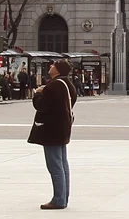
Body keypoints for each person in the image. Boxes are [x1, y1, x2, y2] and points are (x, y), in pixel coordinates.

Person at [29, 59, 77, 210]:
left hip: (51, 130)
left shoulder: (54, 85)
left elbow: (42, 106)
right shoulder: (68, 84)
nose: (50, 67)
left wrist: (37, 94)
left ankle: (59, 199)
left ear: (58, 69)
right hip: (62, 128)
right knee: (62, 164)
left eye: (53, 65)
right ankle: (63, 196)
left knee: (54, 165)